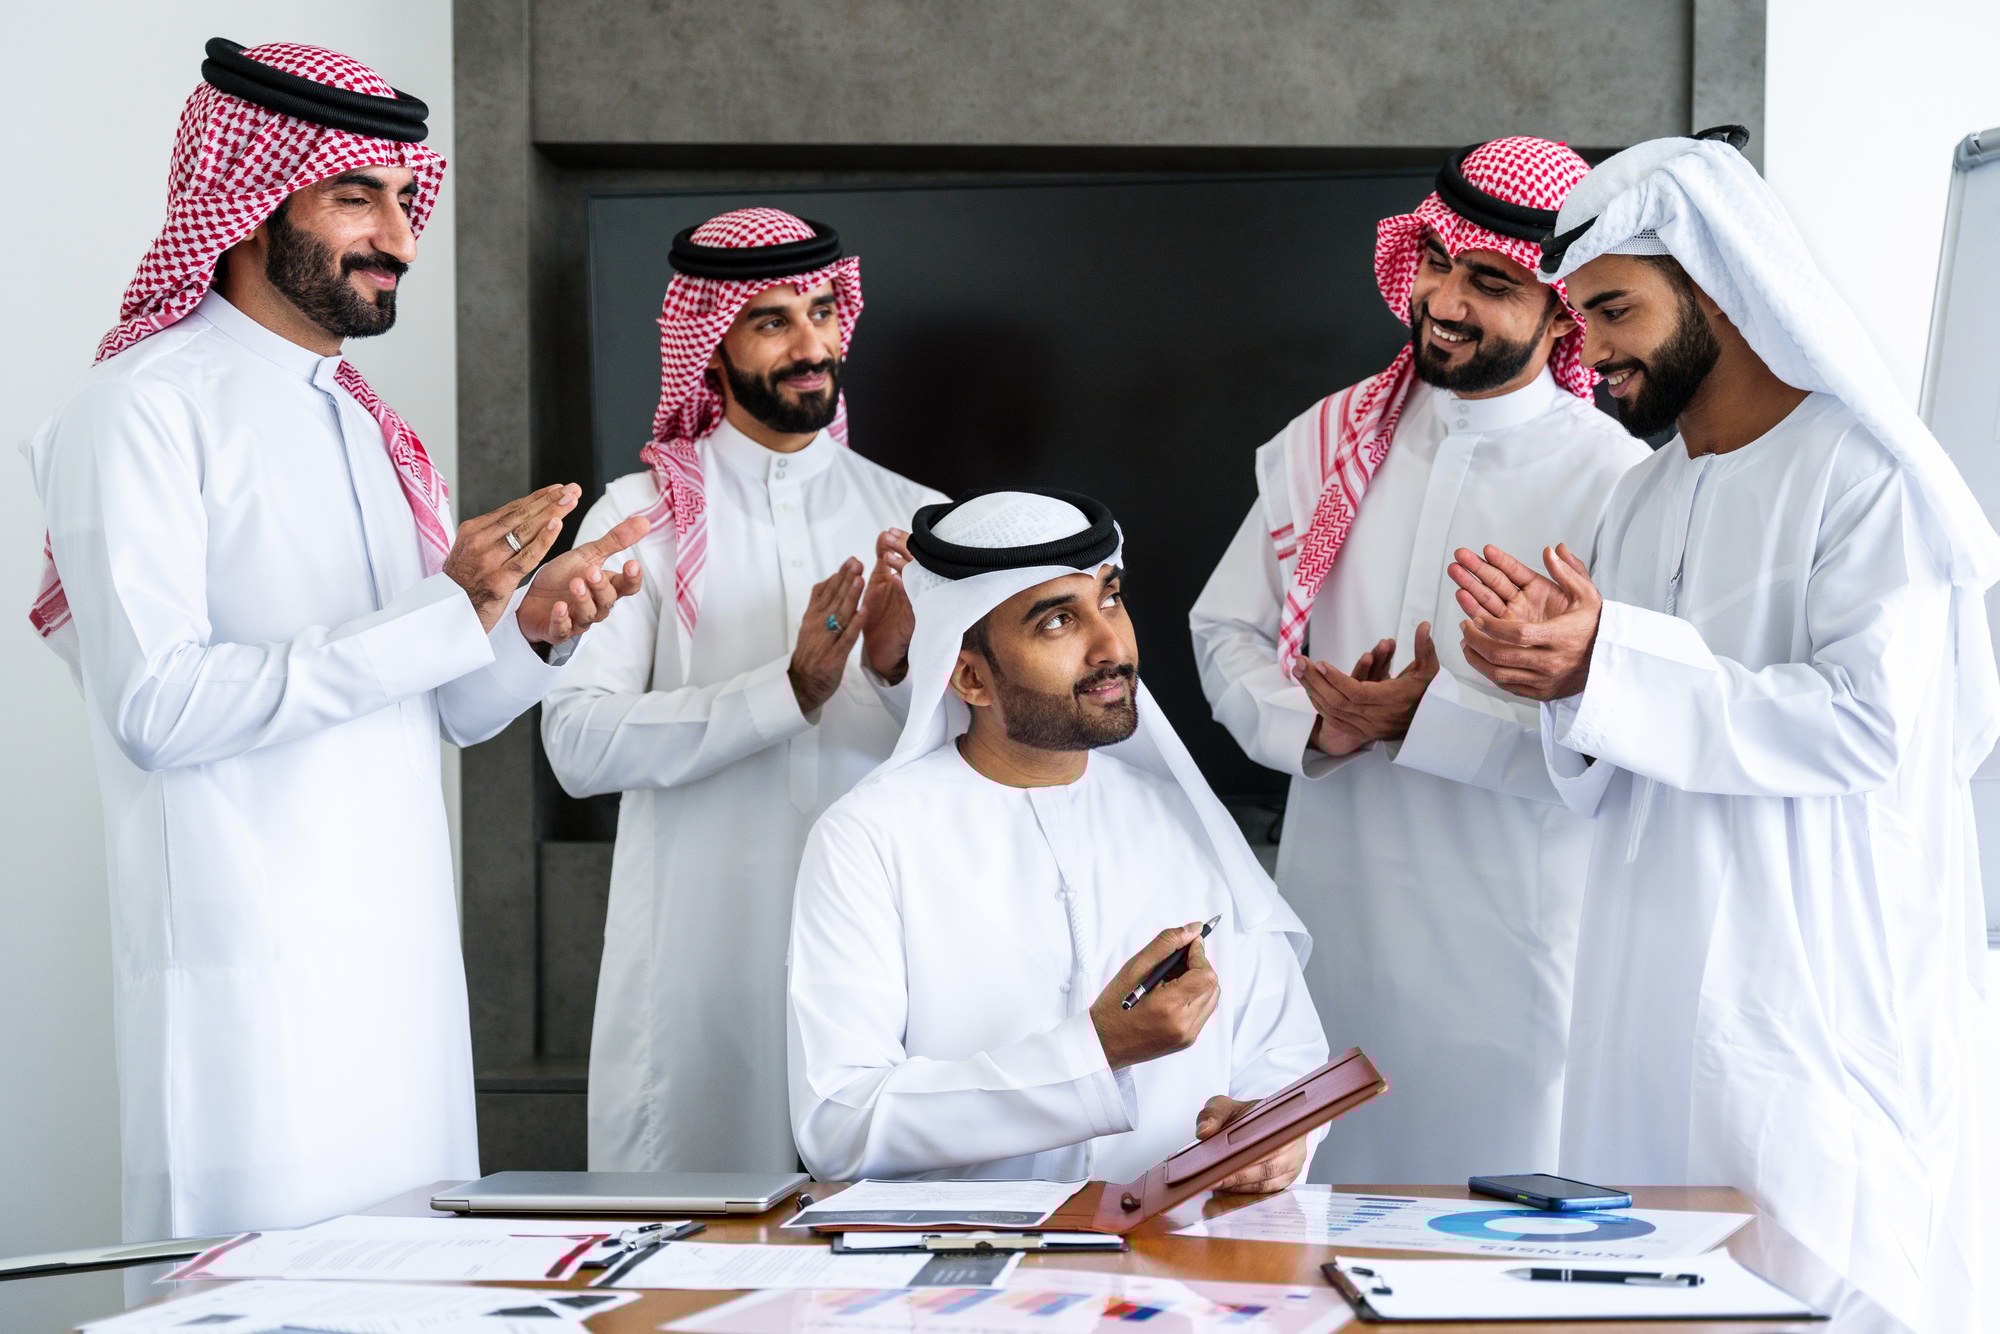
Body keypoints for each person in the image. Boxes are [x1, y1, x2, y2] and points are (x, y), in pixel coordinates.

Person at [28, 39, 646, 1239]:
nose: (401, 238)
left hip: (403, 996)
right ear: (254, 201)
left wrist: (523, 627)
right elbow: (155, 707)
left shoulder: (369, 430)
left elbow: (446, 708)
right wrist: (437, 609)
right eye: (358, 195)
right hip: (252, 1010)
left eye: (407, 200)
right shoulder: (140, 408)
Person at [1450, 131, 1996, 1332]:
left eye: (1610, 309)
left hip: (1804, 992)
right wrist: (1562, 689)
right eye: (1574, 315)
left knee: (1814, 1283)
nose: (1582, 349)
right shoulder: (1638, 496)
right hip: (1638, 989)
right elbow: (1608, 769)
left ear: (1718, 290)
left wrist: (1613, 664)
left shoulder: (1863, 479)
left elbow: (1870, 728)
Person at [1189, 137, 1644, 1182]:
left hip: (1511, 949)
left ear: (1560, 307)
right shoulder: (1326, 437)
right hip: (1331, 921)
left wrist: (1423, 720)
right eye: (1434, 261)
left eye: (1488, 281)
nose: (1443, 297)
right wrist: (1321, 722)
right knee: (1313, 1223)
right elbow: (1224, 633)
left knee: (1492, 1236)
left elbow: (1624, 745)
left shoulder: (1617, 484)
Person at [541, 208, 947, 1172]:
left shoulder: (916, 516)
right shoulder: (640, 516)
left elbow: (976, 760)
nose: (811, 346)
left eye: (821, 311)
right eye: (772, 322)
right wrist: (788, 690)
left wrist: (892, 671)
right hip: (697, 953)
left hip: (881, 946)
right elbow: (577, 746)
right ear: (709, 349)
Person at [787, 489, 1330, 1184]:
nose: (1112, 645)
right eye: (1057, 622)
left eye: (1110, 598)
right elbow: (837, 1125)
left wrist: (1282, 1141)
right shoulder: (868, 838)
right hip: (957, 1271)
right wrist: (1092, 1054)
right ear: (971, 677)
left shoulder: (1184, 820)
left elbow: (1287, 1058)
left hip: (1179, 1269)